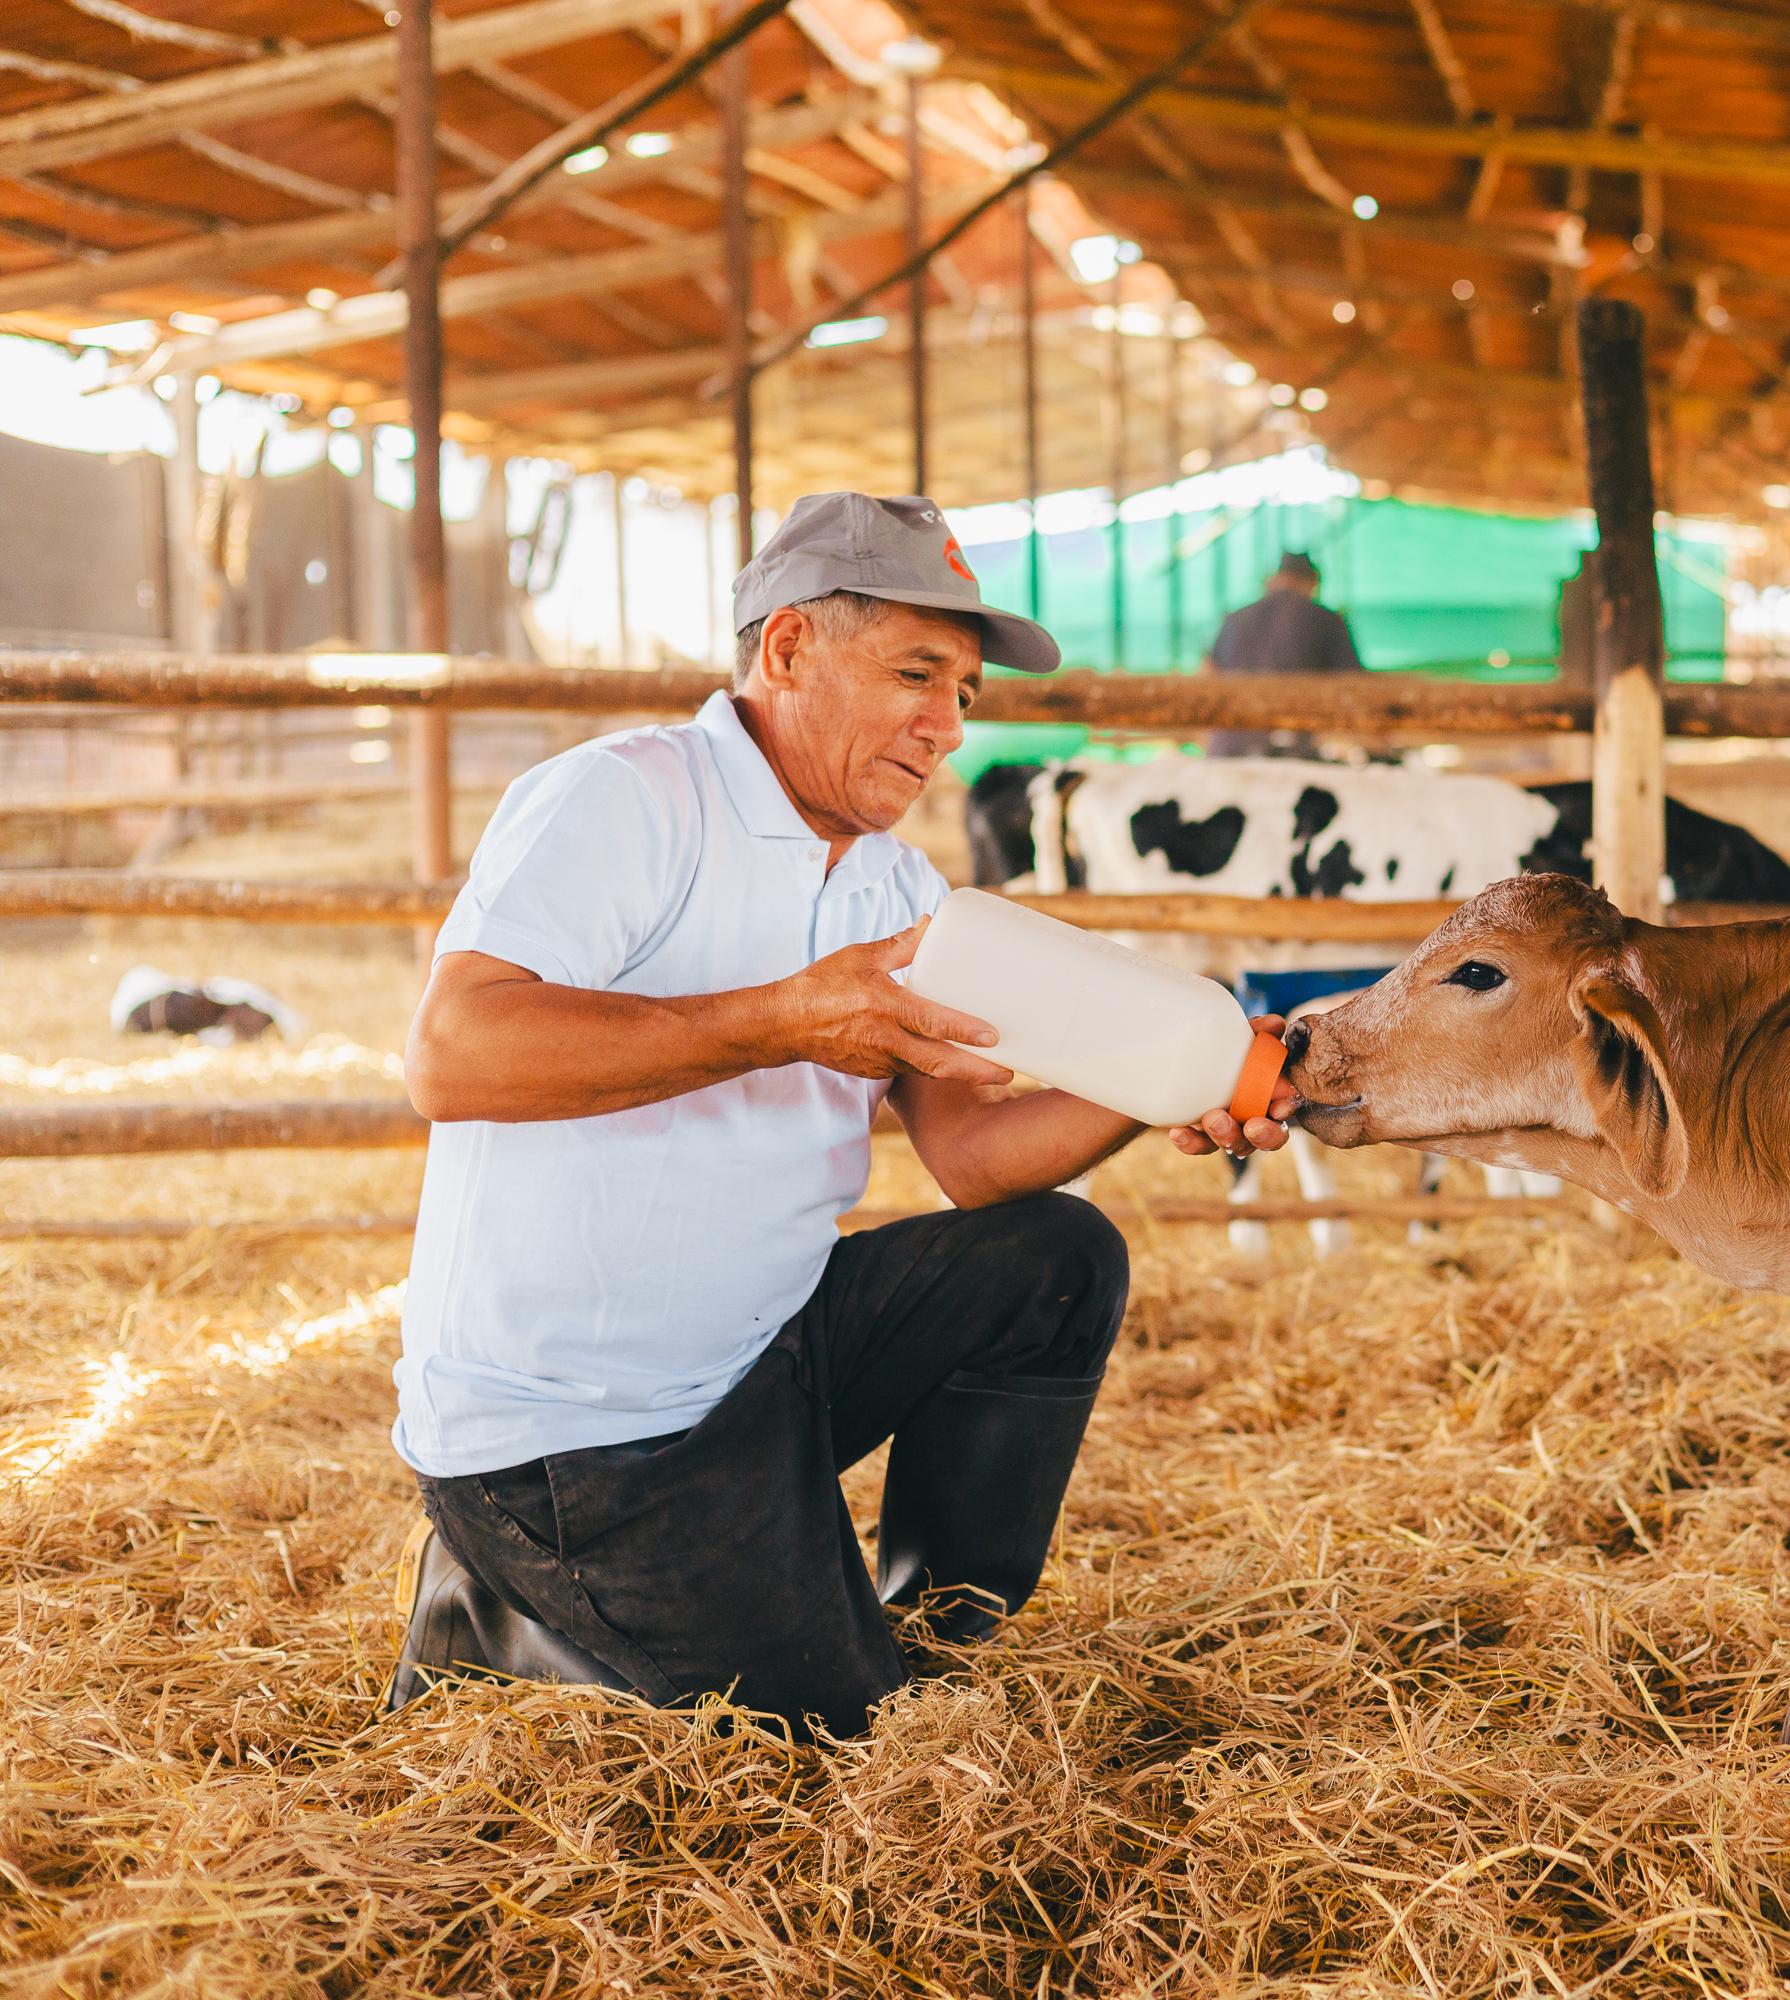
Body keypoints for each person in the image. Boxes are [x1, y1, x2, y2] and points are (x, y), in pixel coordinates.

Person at [385, 491, 1297, 1739]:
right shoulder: (626, 797)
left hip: (762, 1363)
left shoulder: (897, 880)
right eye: (917, 671)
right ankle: (499, 1603)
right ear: (788, 650)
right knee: (849, 1745)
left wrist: (1161, 1082)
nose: (946, 728)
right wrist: (785, 1017)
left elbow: (974, 1163)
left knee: (1057, 1257)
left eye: (967, 692)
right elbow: (451, 1055)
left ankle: (925, 1625)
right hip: (576, 1437)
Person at [1201, 550, 1363, 757]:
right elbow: (1353, 685)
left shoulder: (1234, 618)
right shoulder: (1328, 620)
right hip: (1296, 752)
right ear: (1311, 583)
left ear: (1276, 578)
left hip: (1229, 751)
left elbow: (1206, 674)